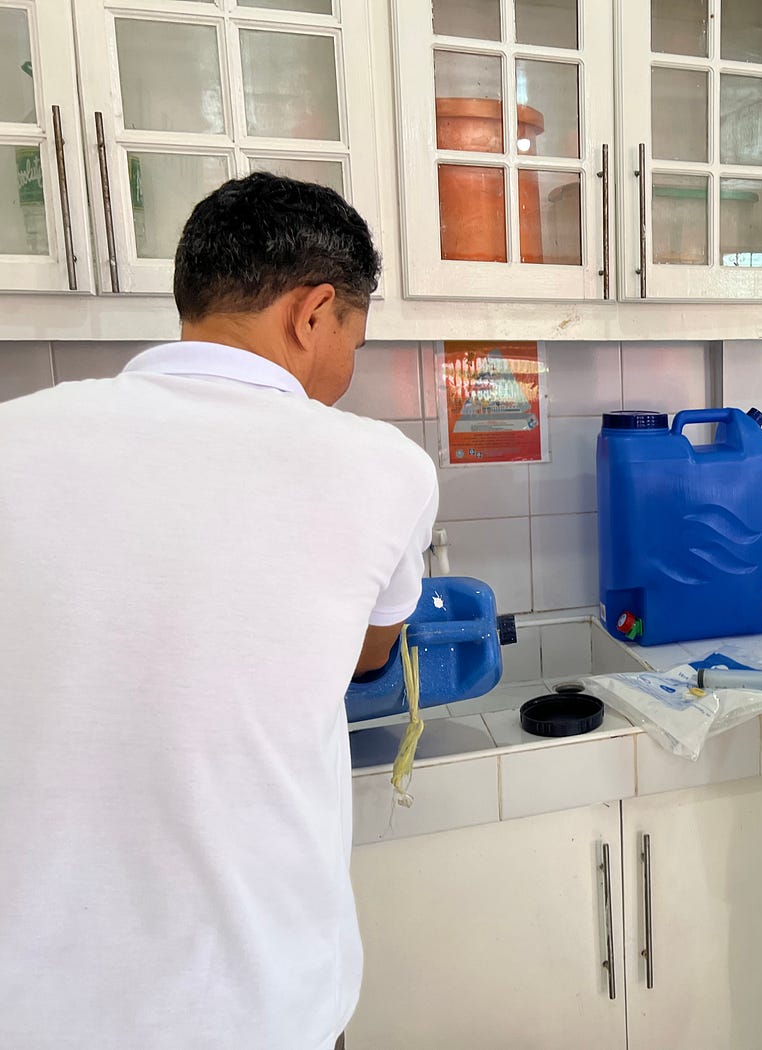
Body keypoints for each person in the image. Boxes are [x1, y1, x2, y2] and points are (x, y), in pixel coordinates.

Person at [0, 173, 438, 1050]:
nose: (348, 366)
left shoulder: (15, 435)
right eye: (354, 333)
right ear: (314, 314)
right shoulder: (382, 467)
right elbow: (365, 656)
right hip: (261, 1003)